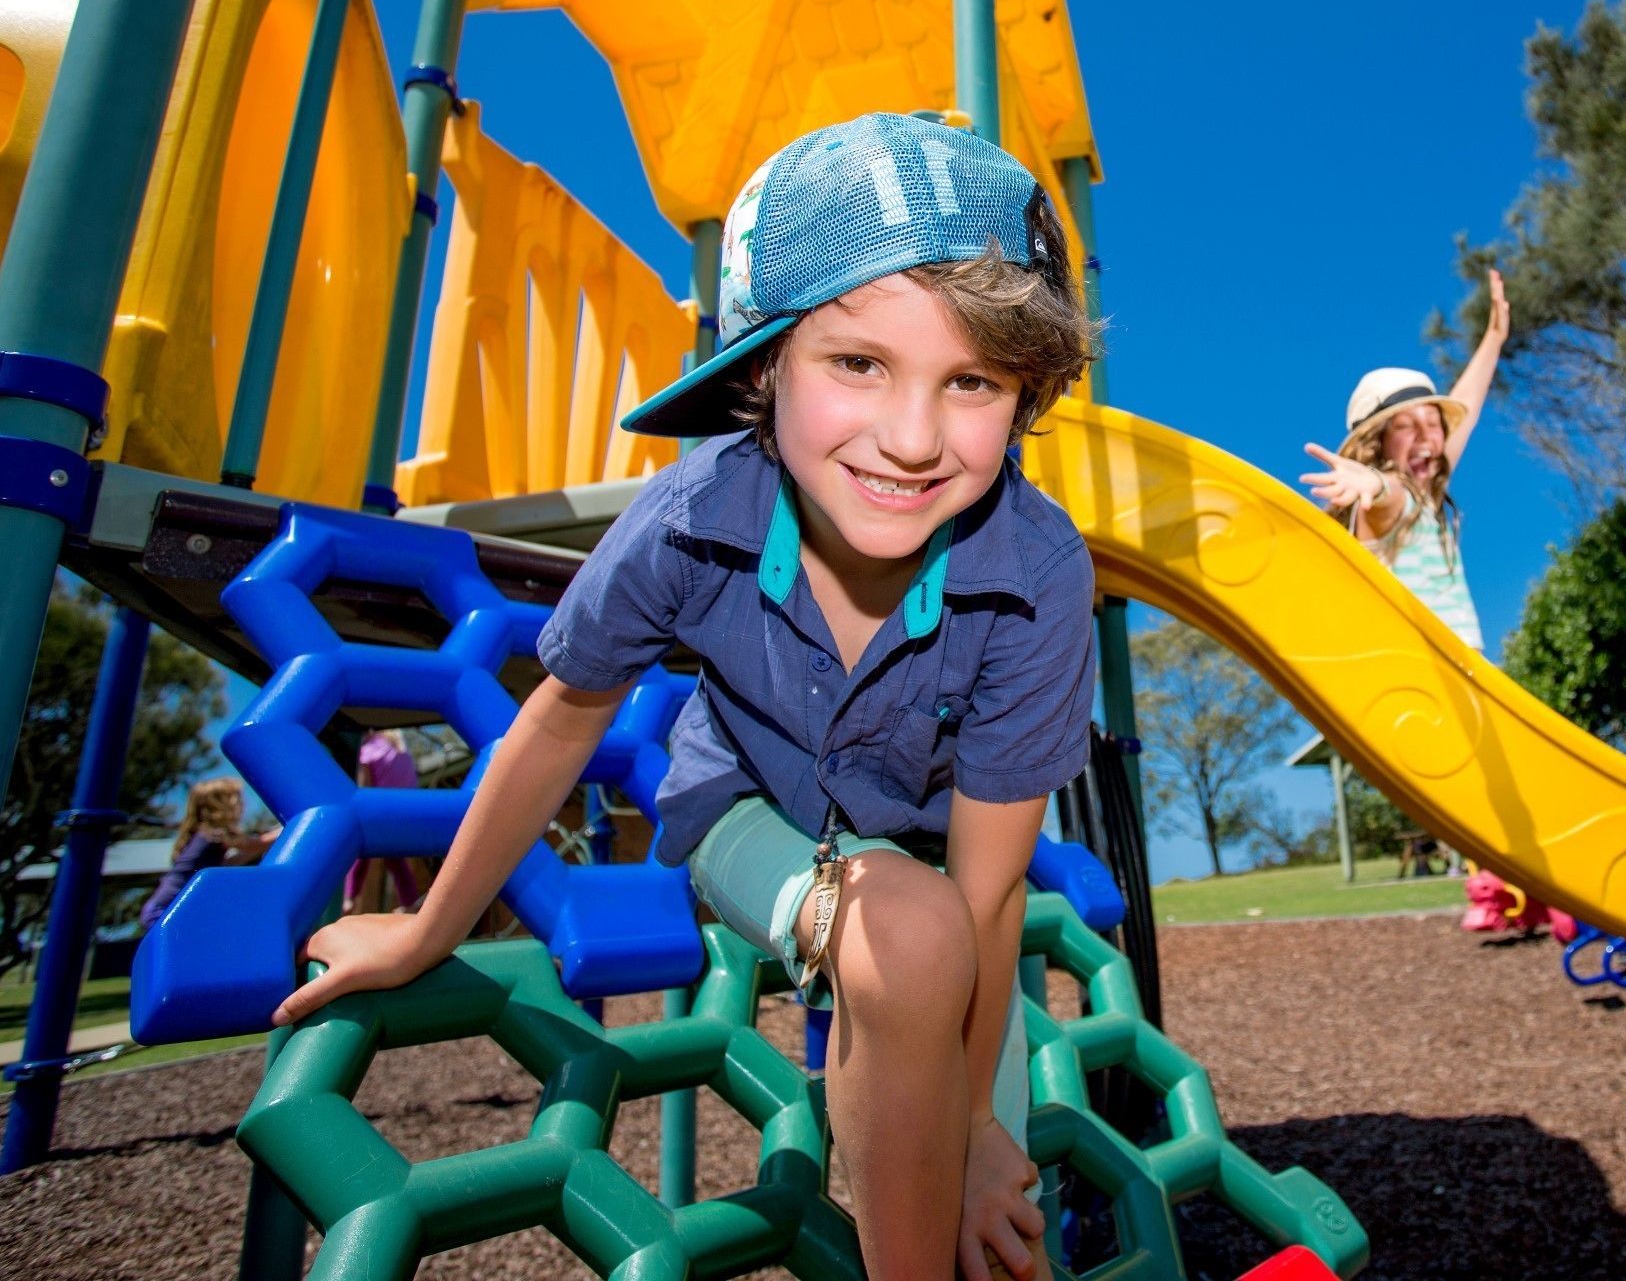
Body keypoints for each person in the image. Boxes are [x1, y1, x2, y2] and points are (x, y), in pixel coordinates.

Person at [272, 113, 1099, 1281]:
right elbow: (559, 722)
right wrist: (426, 929)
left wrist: (973, 1127)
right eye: (858, 364)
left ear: (1023, 397)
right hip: (743, 816)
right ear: (765, 366)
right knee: (909, 938)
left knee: (1000, 1205)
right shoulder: (691, 518)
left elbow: (990, 882)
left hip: (930, 865)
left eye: (971, 380)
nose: (912, 438)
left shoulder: (1036, 571)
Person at [1301, 268, 1510, 654]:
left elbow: (1466, 407)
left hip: (1462, 673)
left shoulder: (1425, 500)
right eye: (1406, 426)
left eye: (1433, 423)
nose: (1426, 436)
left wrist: (1495, 337)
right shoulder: (1393, 504)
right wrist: (1373, 482)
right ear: (1377, 445)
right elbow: (1389, 494)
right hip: (1420, 671)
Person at [137, 777, 276, 933]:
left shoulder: (204, 836)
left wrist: (265, 844)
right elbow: (256, 843)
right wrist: (286, 828)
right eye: (238, 799)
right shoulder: (213, 834)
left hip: (163, 907)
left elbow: (234, 861)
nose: (243, 804)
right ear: (222, 805)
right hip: (165, 910)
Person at [343, 730, 424, 915]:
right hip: (406, 811)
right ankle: (410, 902)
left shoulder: (369, 750)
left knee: (361, 849)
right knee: (394, 858)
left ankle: (349, 899)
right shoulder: (398, 749)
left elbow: (364, 785)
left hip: (380, 808)